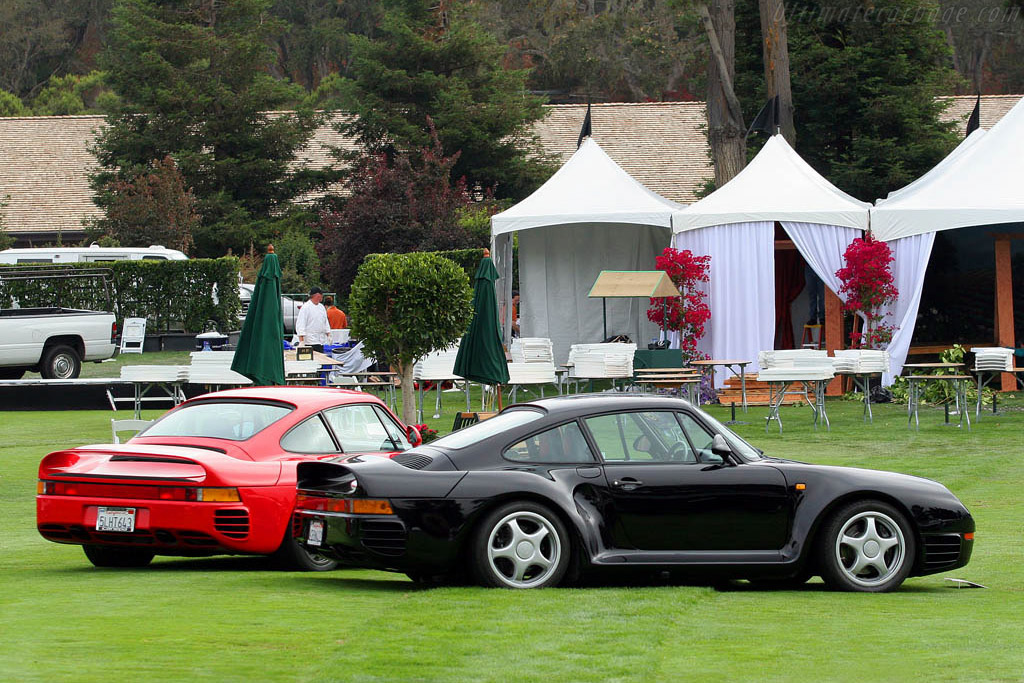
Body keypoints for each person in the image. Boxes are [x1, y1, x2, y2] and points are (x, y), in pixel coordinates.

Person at [295, 286, 330, 352]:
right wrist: (301, 340)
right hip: (309, 342)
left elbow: (325, 321)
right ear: (317, 295)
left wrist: (328, 334)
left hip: (320, 341)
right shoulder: (306, 307)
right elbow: (301, 324)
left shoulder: (321, 307)